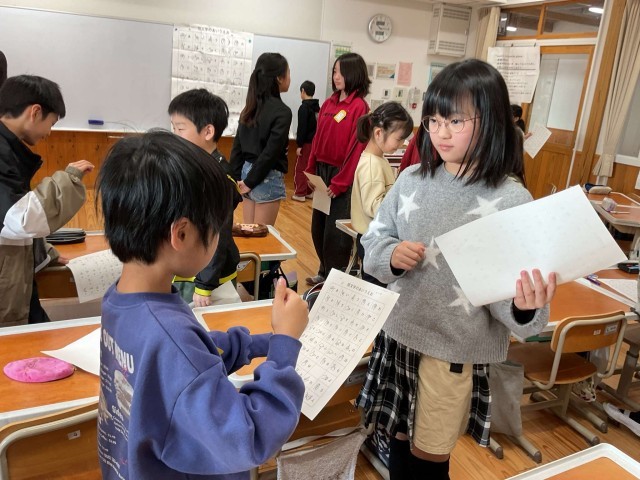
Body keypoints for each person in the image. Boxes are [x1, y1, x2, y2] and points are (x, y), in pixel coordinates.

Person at [355, 59, 557, 480]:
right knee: (396, 447)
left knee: (429, 463)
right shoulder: (411, 179)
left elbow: (511, 300)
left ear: (492, 120)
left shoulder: (511, 200)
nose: (441, 132)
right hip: (398, 337)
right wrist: (390, 255)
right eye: (433, 120)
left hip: (451, 353)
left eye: (455, 121)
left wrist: (523, 306)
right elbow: (372, 240)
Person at [96, 131, 308, 480]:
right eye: (216, 229)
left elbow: (186, 360)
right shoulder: (169, 337)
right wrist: (284, 348)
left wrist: (261, 343)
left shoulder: (120, 300)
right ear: (181, 234)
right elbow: (250, 437)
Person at [0, 75, 94, 327]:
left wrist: (44, 252)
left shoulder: (10, 151)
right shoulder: (3, 153)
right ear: (35, 112)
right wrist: (69, 179)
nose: (49, 133)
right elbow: (18, 218)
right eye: (51, 123)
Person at [168, 88, 242, 307]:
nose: (175, 135)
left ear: (208, 131)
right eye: (173, 128)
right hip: (188, 266)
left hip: (210, 281)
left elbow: (218, 235)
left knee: (208, 326)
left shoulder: (219, 178)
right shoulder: (192, 166)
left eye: (180, 129)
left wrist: (204, 285)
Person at [304, 52, 370, 286]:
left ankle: (334, 279)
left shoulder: (359, 106)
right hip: (322, 172)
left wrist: (341, 182)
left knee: (336, 234)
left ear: (354, 74)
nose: (336, 76)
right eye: (334, 71)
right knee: (318, 227)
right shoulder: (329, 103)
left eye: (341, 72)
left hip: (342, 175)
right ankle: (324, 271)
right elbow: (317, 137)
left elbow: (357, 148)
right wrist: (311, 169)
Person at [351, 102, 413, 287]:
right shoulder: (372, 165)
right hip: (373, 240)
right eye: (399, 139)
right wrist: (403, 205)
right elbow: (374, 206)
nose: (402, 144)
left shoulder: (378, 160)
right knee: (375, 291)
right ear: (378, 133)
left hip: (373, 238)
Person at [230, 52, 291, 226]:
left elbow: (237, 148)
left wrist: (237, 180)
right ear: (279, 78)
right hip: (265, 176)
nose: (289, 78)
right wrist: (250, 182)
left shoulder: (249, 108)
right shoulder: (282, 112)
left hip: (247, 173)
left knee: (249, 232)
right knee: (262, 238)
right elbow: (270, 153)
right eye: (288, 73)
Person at [292, 80, 320, 202]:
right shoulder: (318, 108)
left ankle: (300, 193)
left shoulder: (304, 107)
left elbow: (302, 128)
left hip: (306, 144)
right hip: (315, 143)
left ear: (303, 91)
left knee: (301, 168)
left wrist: (299, 145)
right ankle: (309, 192)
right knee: (310, 168)